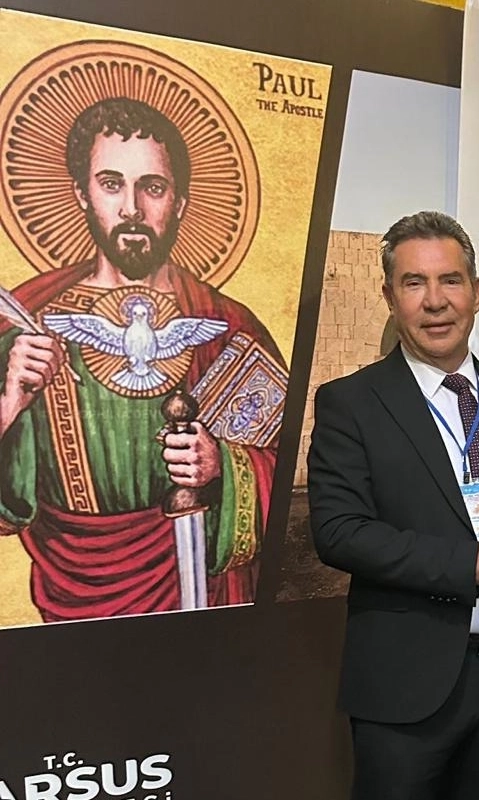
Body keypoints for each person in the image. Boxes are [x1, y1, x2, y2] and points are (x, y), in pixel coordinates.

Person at [0, 97, 282, 621]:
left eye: (152, 187)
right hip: (71, 607)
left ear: (180, 202)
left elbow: (292, 470)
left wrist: (222, 466)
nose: (132, 208)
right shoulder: (29, 325)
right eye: (111, 184)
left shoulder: (228, 328)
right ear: (82, 194)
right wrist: (8, 404)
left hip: (201, 602)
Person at [308, 211, 479, 800]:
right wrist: (467, 562)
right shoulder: (351, 403)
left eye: (450, 280)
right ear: (389, 297)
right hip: (406, 684)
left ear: (476, 291)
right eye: (414, 283)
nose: (435, 301)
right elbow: (338, 531)